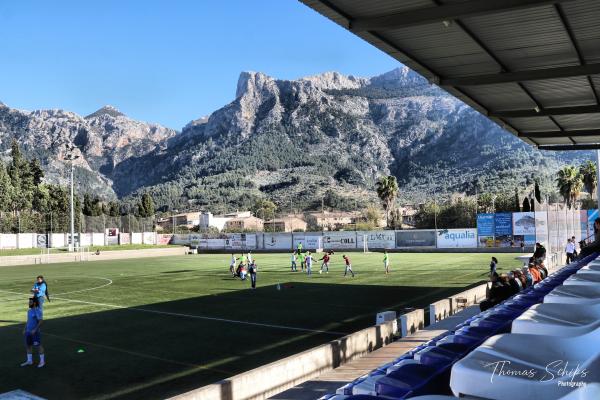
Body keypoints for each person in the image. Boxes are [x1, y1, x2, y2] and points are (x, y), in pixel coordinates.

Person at [21, 297, 45, 368]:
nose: (29, 303)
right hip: (28, 332)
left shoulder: (38, 311)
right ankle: (29, 361)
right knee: (28, 346)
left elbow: (41, 321)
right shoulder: (29, 311)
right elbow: (28, 321)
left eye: (30, 302)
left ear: (34, 303)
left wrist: (35, 330)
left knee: (38, 346)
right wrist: (24, 329)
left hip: (35, 333)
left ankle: (42, 361)